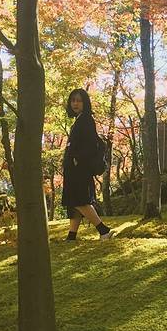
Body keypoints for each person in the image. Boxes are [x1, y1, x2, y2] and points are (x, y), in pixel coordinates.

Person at [61, 88, 111, 241]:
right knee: (74, 202)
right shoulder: (79, 119)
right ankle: (71, 236)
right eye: (73, 100)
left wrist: (77, 159)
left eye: (79, 100)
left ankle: (104, 231)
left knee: (79, 200)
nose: (75, 103)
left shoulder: (86, 120)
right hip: (74, 167)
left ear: (85, 103)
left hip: (79, 168)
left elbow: (90, 145)